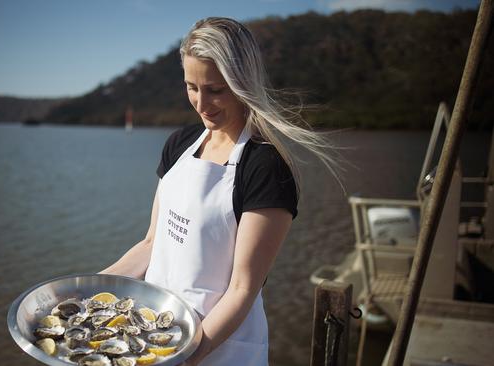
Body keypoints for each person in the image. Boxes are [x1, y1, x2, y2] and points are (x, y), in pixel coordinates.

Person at [101, 16, 339, 365]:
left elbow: (243, 289)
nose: (201, 103)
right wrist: (92, 288)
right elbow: (152, 244)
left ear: (243, 83)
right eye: (191, 87)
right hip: (153, 334)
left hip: (219, 347)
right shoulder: (179, 145)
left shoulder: (266, 167)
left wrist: (187, 356)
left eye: (215, 89)